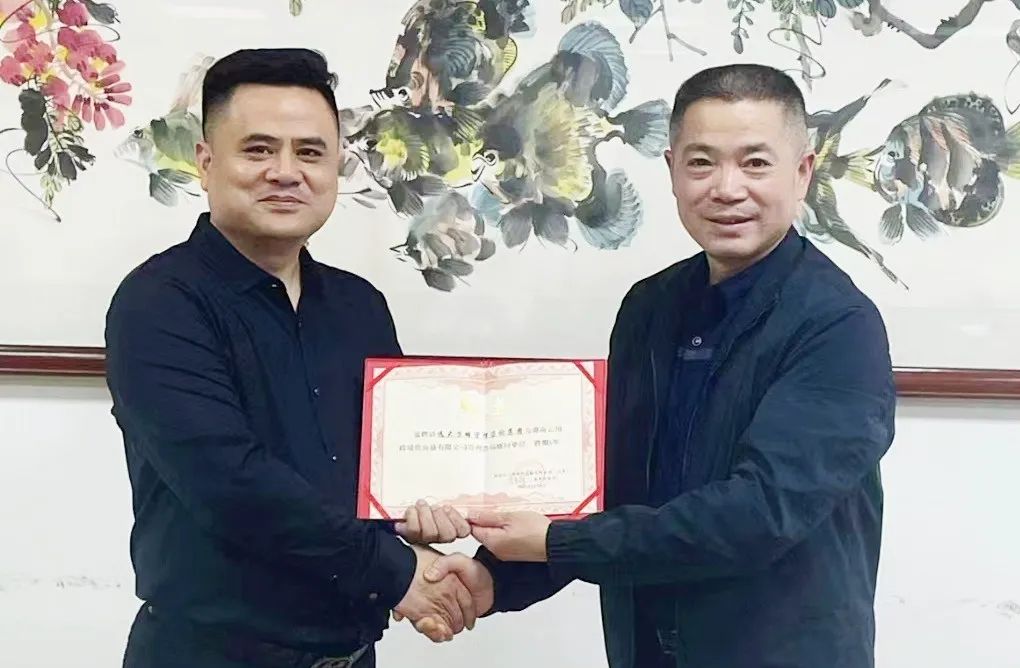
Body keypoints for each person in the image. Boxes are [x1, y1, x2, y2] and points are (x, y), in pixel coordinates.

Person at [418, 63, 898, 668]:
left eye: (755, 163)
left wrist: (557, 543)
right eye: (701, 163)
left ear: (802, 172)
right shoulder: (650, 306)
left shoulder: (837, 324)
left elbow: (760, 514)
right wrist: (497, 577)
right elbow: (605, 484)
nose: (727, 188)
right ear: (672, 170)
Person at [104, 48, 483, 668]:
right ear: (206, 162)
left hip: (351, 654)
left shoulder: (360, 306)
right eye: (258, 150)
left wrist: (419, 511)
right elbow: (231, 483)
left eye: (310, 152)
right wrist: (399, 572)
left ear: (336, 166)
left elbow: (383, 470)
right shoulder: (159, 303)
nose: (286, 172)